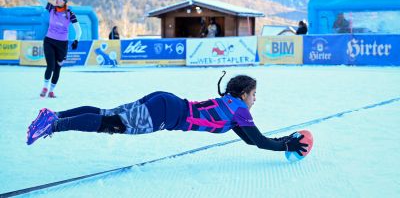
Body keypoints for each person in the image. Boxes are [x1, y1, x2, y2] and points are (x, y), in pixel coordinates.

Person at [26, 71, 308, 158]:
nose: (255, 100)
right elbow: (258, 140)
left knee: (107, 114)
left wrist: (284, 140)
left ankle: (53, 114)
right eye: (254, 95)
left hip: (166, 101)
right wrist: (288, 143)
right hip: (165, 112)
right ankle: (53, 126)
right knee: (109, 123)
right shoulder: (240, 111)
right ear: (244, 94)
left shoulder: (232, 105)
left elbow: (250, 140)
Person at [25, 0, 82, 98]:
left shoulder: (69, 14)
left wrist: (76, 40)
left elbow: (78, 29)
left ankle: (51, 90)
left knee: (58, 68)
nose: (56, 0)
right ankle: (45, 88)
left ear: (64, 1)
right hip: (49, 41)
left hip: (62, 44)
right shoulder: (51, 9)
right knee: (50, 65)